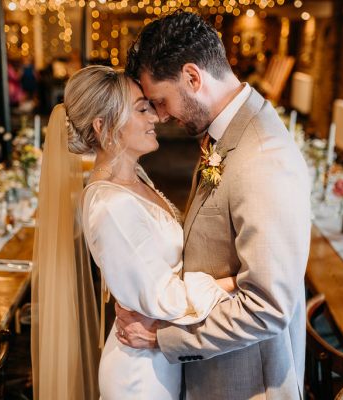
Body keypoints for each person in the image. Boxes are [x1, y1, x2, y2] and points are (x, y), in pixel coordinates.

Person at [116, 11, 311, 400]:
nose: (163, 115)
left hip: (246, 384)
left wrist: (163, 336)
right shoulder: (225, 133)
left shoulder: (262, 157)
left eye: (161, 100)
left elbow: (269, 306)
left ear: (192, 77)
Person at [34, 65, 237, 399]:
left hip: (159, 353)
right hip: (140, 373)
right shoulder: (111, 206)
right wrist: (238, 282)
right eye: (142, 109)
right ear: (103, 126)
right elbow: (166, 298)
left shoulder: (135, 177)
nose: (155, 117)